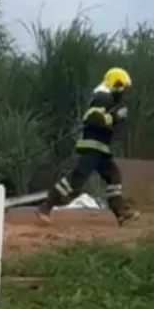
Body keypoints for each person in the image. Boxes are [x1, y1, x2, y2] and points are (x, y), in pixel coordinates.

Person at [36, 67, 140, 226]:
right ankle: (46, 207)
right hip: (92, 148)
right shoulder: (103, 97)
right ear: (115, 84)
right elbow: (93, 117)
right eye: (122, 88)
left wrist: (116, 118)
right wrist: (114, 117)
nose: (123, 92)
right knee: (75, 180)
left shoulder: (108, 100)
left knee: (114, 178)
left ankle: (121, 212)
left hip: (101, 149)